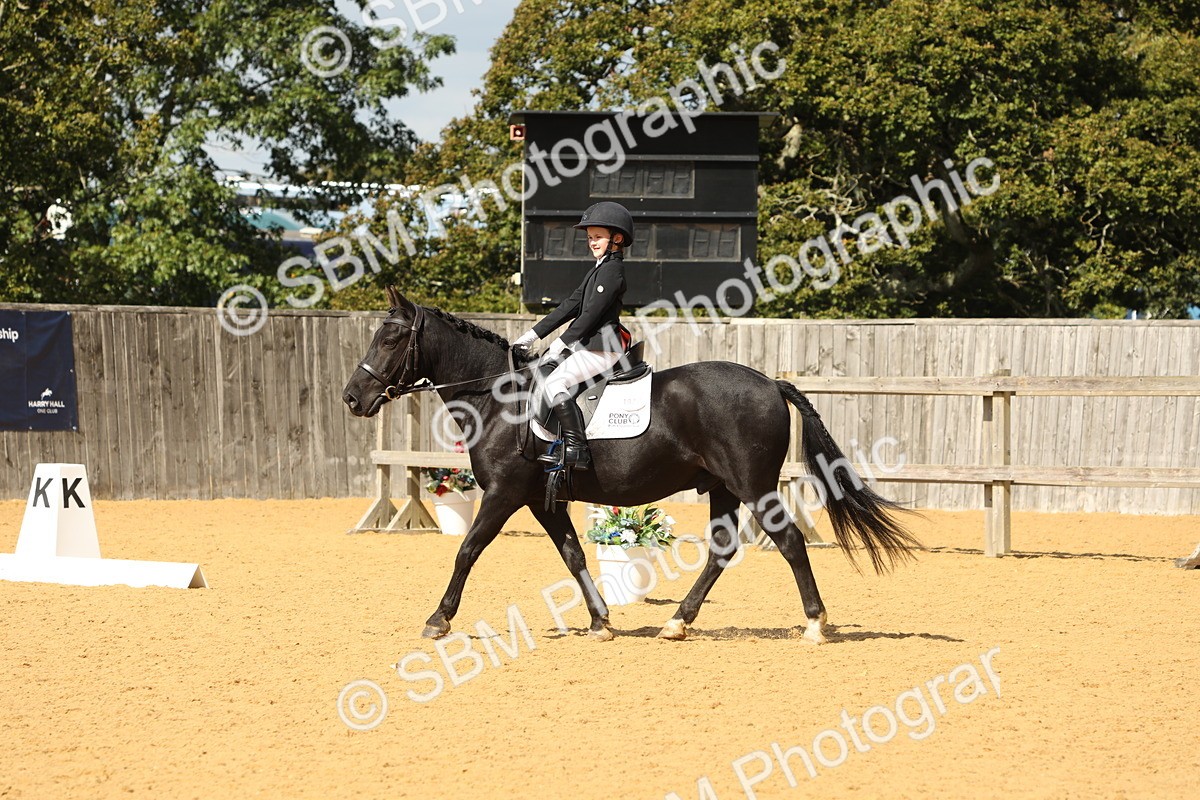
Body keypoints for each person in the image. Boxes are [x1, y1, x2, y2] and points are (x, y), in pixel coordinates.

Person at [512, 201, 635, 471]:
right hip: (589, 347)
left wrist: (560, 343)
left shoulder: (613, 271)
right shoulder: (598, 270)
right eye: (590, 237)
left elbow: (590, 314)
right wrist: (532, 334)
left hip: (603, 347)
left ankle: (577, 449)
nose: (592, 242)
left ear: (617, 238)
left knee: (555, 382)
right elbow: (570, 305)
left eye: (598, 237)